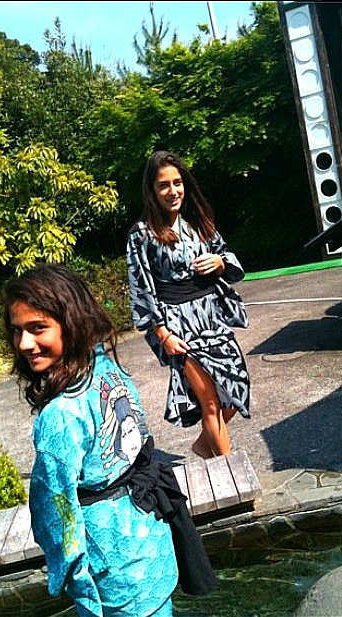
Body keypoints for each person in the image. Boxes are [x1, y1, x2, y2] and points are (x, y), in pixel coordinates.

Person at [3, 264, 216, 617]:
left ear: (70, 323)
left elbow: (55, 512)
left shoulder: (60, 415)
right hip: (151, 535)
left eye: (37, 328)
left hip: (114, 565)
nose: (24, 343)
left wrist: (76, 583)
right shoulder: (102, 365)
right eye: (17, 331)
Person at [127, 150, 250, 459]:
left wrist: (220, 262)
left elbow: (228, 257)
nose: (173, 191)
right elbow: (141, 287)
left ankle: (202, 446)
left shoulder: (199, 224)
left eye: (177, 183)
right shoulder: (142, 235)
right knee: (209, 403)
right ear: (152, 192)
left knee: (234, 395)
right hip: (178, 325)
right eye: (163, 185)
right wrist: (162, 334)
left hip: (213, 318)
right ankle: (230, 476)